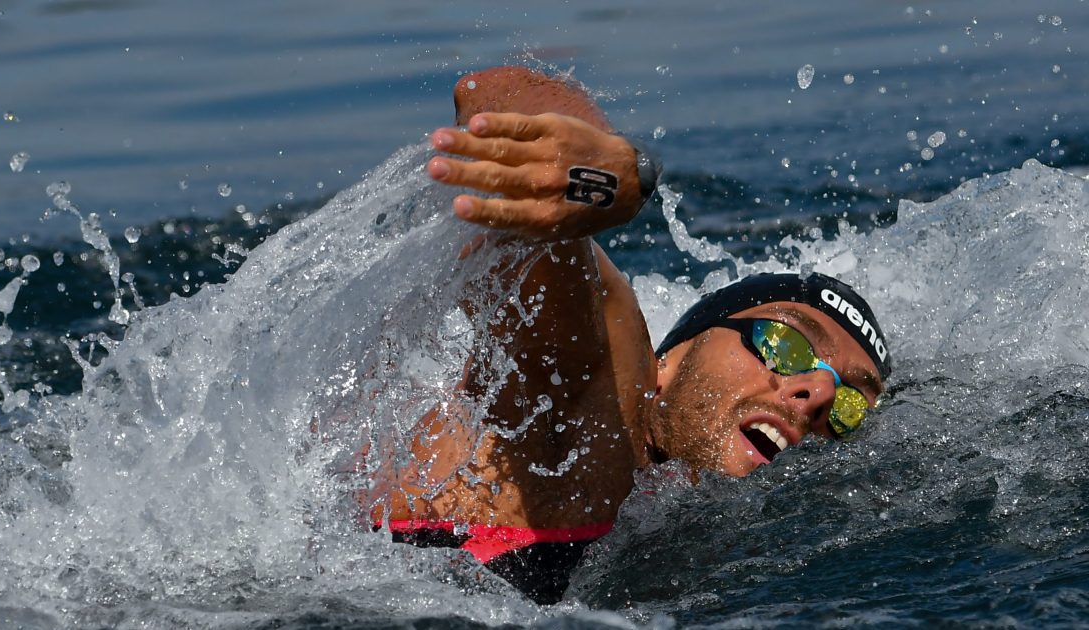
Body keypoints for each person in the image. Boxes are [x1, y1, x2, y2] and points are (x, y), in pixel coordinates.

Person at [369, 67, 891, 603]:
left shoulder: (695, 535)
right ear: (668, 360)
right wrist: (604, 174)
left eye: (853, 402)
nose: (820, 393)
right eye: (784, 345)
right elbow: (492, 94)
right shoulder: (588, 416)